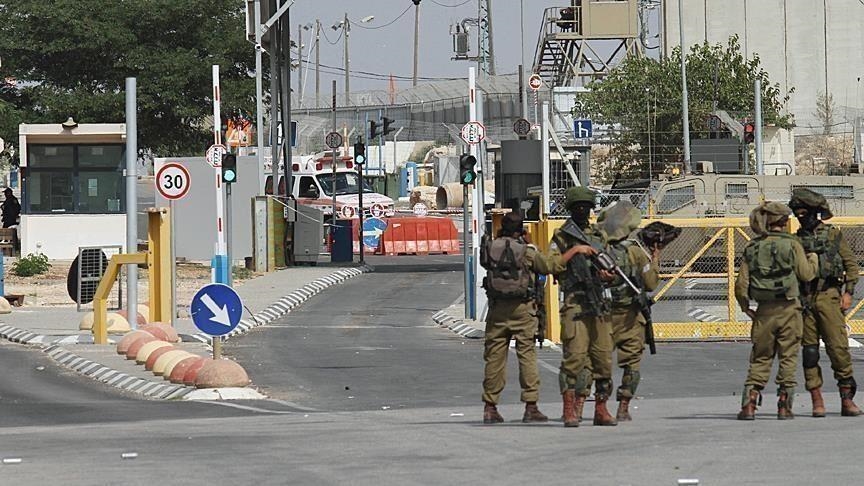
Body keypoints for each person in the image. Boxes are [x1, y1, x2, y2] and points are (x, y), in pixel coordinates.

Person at [481, 212, 583, 424]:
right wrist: (534, 245)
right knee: (526, 355)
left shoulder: (491, 247)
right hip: (523, 309)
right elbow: (549, 266)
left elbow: (486, 264)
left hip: (497, 310)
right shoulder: (526, 251)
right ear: (521, 230)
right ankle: (531, 406)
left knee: (494, 358)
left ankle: (490, 407)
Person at [735, 201, 818, 420]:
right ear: (784, 221)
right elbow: (806, 274)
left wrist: (746, 307)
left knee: (760, 357)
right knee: (788, 357)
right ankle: (784, 405)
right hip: (790, 309)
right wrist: (813, 259)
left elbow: (741, 285)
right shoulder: (792, 244)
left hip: (764, 311)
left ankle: (749, 404)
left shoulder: (752, 247)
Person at [788, 188, 863, 417]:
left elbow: (851, 266)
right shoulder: (795, 241)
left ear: (815, 212)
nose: (801, 218)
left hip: (829, 297)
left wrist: (848, 293)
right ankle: (817, 400)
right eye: (798, 214)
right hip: (805, 300)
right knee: (810, 352)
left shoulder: (833, 236)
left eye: (804, 213)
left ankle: (846, 399)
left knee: (838, 349)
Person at [548, 186, 617, 427]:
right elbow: (550, 265)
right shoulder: (562, 236)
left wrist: (608, 276)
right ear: (570, 209)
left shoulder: (599, 236)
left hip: (599, 301)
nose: (581, 211)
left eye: (585, 208)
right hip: (575, 303)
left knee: (603, 359)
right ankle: (569, 409)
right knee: (574, 358)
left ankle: (601, 408)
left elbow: (611, 266)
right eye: (577, 207)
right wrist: (576, 250)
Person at [597, 201, 660, 421]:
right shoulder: (635, 252)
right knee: (632, 363)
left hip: (603, 317)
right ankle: (623, 407)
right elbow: (650, 284)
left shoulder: (598, 252)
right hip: (630, 318)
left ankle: (598, 405)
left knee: (600, 362)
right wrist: (655, 258)